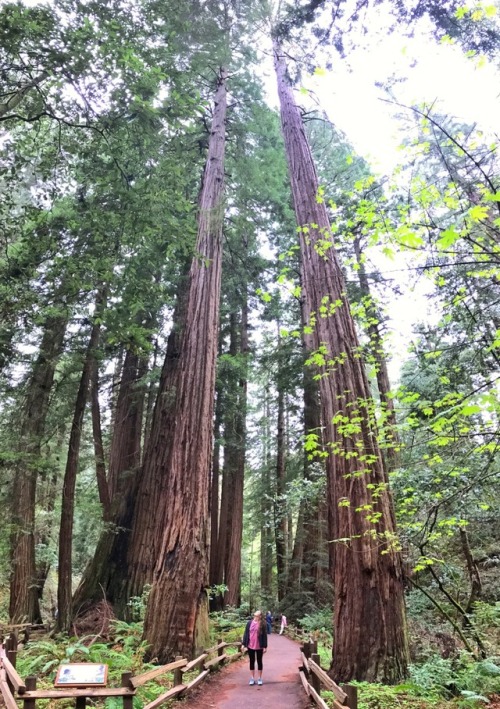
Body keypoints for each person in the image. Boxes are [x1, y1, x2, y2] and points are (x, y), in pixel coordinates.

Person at [242, 609, 268, 686]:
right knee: (252, 661)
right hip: (250, 645)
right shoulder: (249, 623)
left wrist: (265, 646)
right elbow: (246, 633)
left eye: (257, 616)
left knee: (259, 661)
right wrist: (243, 644)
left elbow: (264, 635)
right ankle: (252, 678)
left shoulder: (263, 624)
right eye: (254, 615)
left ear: (260, 616)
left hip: (259, 646)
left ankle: (259, 678)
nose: (255, 617)